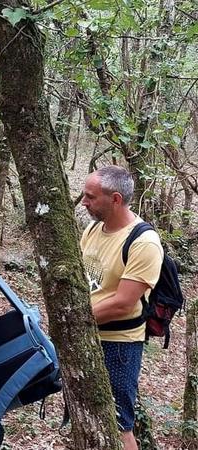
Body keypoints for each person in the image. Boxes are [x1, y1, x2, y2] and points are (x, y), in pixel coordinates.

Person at [80, 165, 163, 450]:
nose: (84, 202)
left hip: (118, 345)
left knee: (118, 425)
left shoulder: (144, 242)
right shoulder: (92, 229)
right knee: (86, 415)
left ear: (115, 199)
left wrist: (72, 320)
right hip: (87, 337)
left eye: (90, 196)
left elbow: (123, 303)